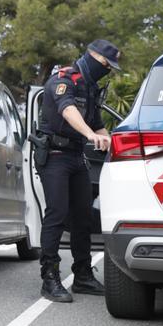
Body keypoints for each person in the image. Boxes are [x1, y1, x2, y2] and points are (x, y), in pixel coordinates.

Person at [34, 40, 119, 302]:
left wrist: (115, 143)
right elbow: (68, 110)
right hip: (55, 155)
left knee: (83, 217)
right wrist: (90, 135)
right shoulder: (64, 79)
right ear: (93, 57)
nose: (108, 71)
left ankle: (82, 275)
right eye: (106, 65)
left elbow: (97, 123)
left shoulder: (91, 88)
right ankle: (49, 278)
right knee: (57, 213)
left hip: (76, 155)